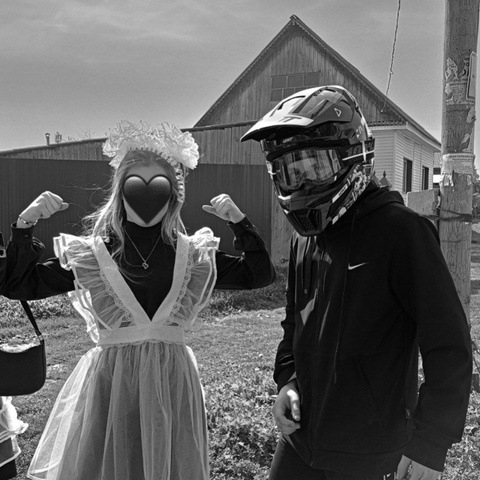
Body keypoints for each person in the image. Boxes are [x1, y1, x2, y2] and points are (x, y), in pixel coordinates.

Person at [1, 120, 275, 480]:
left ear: (173, 195)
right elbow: (19, 285)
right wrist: (25, 224)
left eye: (159, 186)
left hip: (171, 384)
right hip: (112, 385)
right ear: (120, 192)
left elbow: (259, 274)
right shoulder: (93, 257)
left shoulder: (191, 257)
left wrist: (239, 222)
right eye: (135, 185)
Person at [241, 85, 473, 480]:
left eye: (316, 166)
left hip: (372, 450)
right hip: (301, 439)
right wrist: (288, 382)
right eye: (291, 172)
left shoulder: (402, 232)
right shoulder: (304, 240)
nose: (304, 183)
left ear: (354, 156)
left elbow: (448, 344)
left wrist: (431, 442)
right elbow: (293, 326)